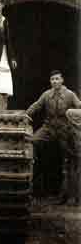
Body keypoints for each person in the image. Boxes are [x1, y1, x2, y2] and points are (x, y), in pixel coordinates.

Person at [27, 70, 81, 204]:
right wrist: (24, 115)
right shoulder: (47, 94)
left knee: (68, 161)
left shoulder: (69, 94)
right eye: (52, 79)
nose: (55, 82)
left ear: (62, 80)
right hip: (49, 128)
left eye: (57, 79)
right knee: (31, 141)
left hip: (65, 130)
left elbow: (79, 106)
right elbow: (36, 106)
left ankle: (68, 195)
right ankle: (32, 185)